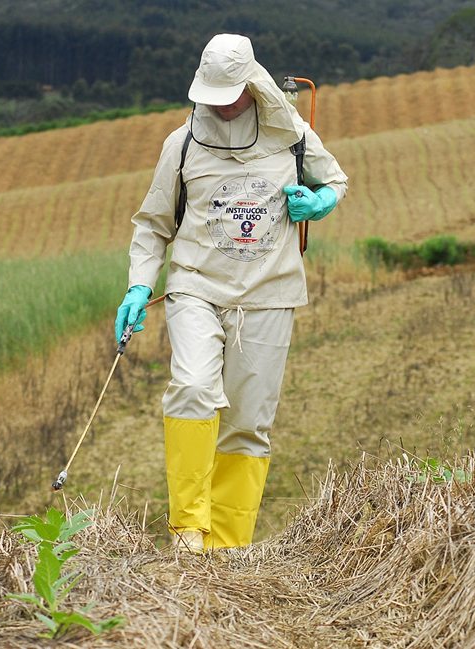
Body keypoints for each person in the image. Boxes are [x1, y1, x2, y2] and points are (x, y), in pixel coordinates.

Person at [115, 33, 348, 554]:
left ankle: (226, 550)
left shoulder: (293, 136)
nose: (219, 107)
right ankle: (188, 533)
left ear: (251, 84)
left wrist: (321, 201)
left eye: (229, 95)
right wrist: (137, 286)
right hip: (196, 287)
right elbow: (153, 225)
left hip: (270, 295)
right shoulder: (182, 144)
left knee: (247, 425)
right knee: (194, 388)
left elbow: (336, 180)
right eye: (210, 96)